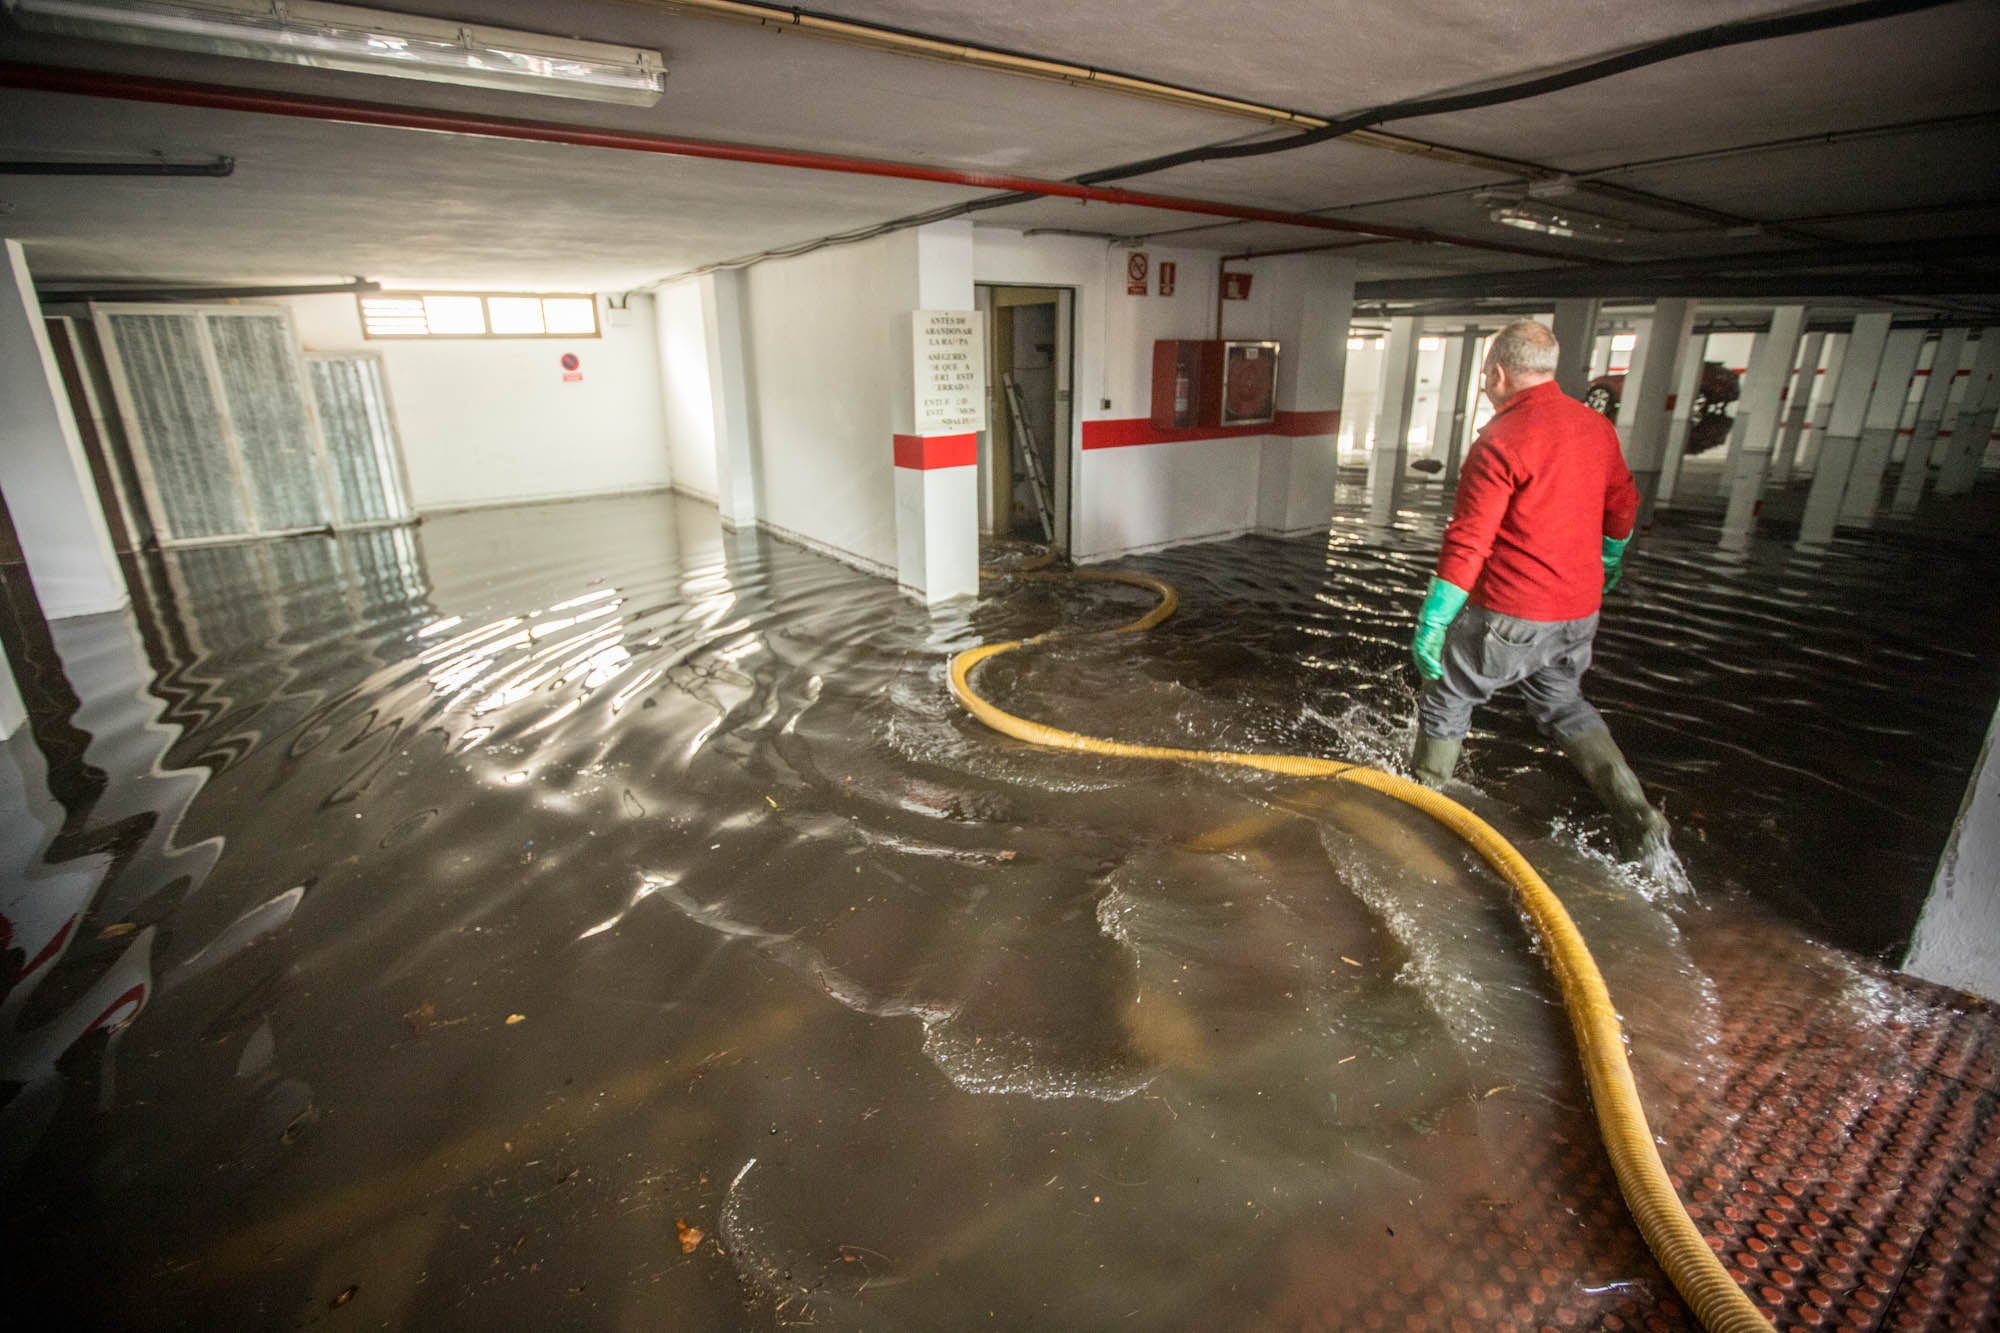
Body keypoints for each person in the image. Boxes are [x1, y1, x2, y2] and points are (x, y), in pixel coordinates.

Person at [1407, 320, 1672, 868]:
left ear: (1499, 373)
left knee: (1448, 698)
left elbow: (1469, 541)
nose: (1484, 384)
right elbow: (1623, 503)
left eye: (1485, 375)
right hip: (1579, 613)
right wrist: (1610, 557)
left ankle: (1420, 816)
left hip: (1511, 611)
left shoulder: (1501, 440)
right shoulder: (1595, 426)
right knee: (1564, 704)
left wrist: (1435, 618)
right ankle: (1637, 814)